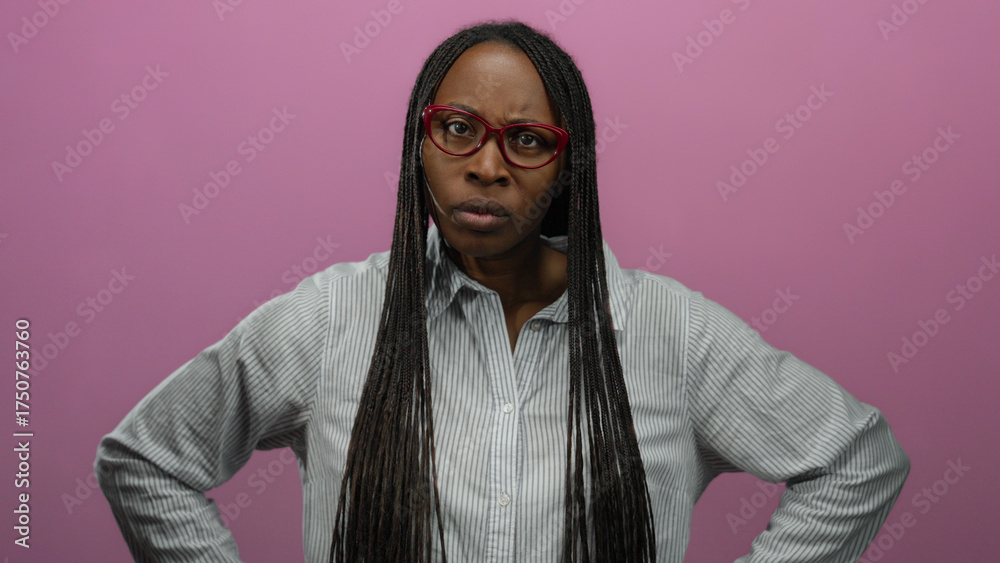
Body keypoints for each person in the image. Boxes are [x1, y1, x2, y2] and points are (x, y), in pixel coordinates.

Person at [95, 20, 910, 562]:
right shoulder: (330, 319)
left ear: (567, 166)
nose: (487, 165)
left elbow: (857, 459)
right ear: (419, 142)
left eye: (526, 139)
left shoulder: (671, 333)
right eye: (458, 129)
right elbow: (145, 459)